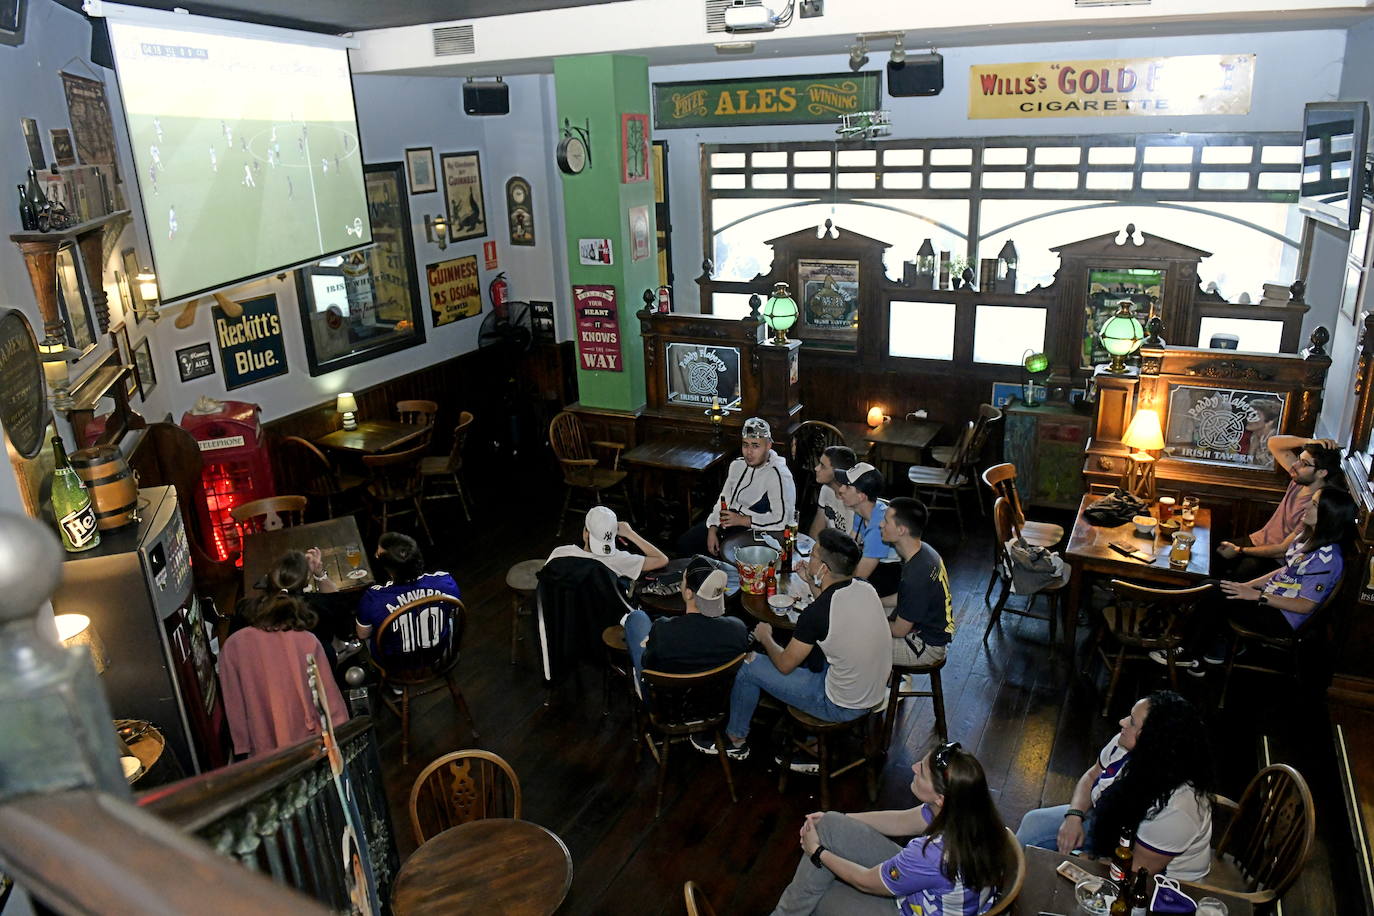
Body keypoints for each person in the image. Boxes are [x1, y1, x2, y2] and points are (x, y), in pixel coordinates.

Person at [692, 528, 891, 761]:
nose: (809, 559)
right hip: (873, 693)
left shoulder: (816, 614)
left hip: (840, 705)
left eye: (814, 555)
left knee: (748, 665)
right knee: (816, 652)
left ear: (824, 568)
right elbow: (829, 602)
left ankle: (735, 740)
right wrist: (810, 581)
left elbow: (785, 665)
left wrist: (765, 637)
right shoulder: (863, 587)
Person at [771, 742, 1008, 916]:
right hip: (931, 893)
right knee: (829, 824)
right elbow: (900, 821)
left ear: (940, 798)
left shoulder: (931, 854)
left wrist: (818, 851)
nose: (914, 767)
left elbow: (864, 881)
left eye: (922, 771)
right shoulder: (969, 813)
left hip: (911, 908)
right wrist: (841, 819)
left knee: (819, 895)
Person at [1014, 690, 1214, 881]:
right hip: (1114, 827)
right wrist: (1074, 816)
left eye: (1132, 722)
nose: (1122, 722)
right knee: (1033, 823)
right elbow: (1092, 776)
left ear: (1154, 741)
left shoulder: (1179, 809)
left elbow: (1136, 870)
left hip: (1154, 877)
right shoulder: (1124, 744)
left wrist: (1091, 861)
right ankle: (1008, 884)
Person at [219, 590, 349, 759]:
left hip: (260, 738)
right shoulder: (306, 639)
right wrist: (342, 729)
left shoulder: (233, 646)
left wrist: (242, 742)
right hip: (307, 737)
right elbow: (327, 695)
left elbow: (233, 702)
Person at [1218, 486, 1355, 636]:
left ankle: (1206, 651)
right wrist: (1247, 586)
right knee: (1213, 588)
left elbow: (1306, 605)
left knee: (1214, 595)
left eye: (1314, 505)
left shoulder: (1327, 559)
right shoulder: (1307, 535)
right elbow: (1287, 570)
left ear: (1330, 516)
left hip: (1282, 617)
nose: (1305, 505)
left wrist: (1257, 596)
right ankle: (1208, 649)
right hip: (1271, 597)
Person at [1217, 438, 1343, 577]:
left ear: (1321, 473)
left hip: (1275, 559)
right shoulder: (1300, 479)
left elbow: (1282, 549)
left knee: (1236, 575)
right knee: (1214, 550)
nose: (1295, 465)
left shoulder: (1316, 506)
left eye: (1304, 463)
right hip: (1257, 540)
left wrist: (1239, 550)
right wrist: (1309, 441)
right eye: (1299, 459)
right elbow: (1273, 443)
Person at [623, 556, 750, 690]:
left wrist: (650, 641)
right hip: (714, 699)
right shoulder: (738, 629)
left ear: (688, 593)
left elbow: (647, 662)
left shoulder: (662, 631)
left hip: (666, 702)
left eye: (683, 580)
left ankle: (640, 688)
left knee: (637, 617)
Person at [680, 417, 796, 558]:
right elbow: (723, 499)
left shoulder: (779, 475)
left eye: (755, 445)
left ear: (769, 445)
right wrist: (712, 527)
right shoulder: (737, 465)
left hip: (757, 532)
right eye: (745, 445)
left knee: (723, 557)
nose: (749, 452)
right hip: (727, 524)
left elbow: (783, 520)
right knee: (685, 544)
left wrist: (743, 520)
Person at [356, 532, 460, 658]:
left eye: (378, 555)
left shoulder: (373, 598)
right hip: (439, 655)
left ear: (387, 567)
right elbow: (454, 613)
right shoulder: (446, 582)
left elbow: (362, 634)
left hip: (395, 664)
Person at [880, 497, 955, 667]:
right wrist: (877, 602)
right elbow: (905, 597)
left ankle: (891, 685)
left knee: (858, 642)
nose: (881, 525)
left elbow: (900, 630)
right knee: (870, 610)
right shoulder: (924, 551)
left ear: (901, 530)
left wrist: (869, 618)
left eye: (886, 521)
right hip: (926, 628)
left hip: (926, 646)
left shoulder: (916, 575)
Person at [546, 505, 667, 581]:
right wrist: (630, 533)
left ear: (585, 532)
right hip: (602, 621)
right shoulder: (618, 559)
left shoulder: (560, 554)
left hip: (560, 620)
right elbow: (661, 559)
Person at [834, 462, 902, 598]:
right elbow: (848, 545)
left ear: (861, 496)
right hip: (871, 567)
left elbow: (859, 577)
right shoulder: (863, 511)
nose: (840, 489)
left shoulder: (879, 529)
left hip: (886, 580)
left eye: (847, 486)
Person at [808, 445, 858, 540]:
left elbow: (851, 546)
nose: (816, 468)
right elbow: (816, 530)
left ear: (838, 472)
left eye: (822, 466)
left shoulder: (854, 502)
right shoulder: (826, 489)